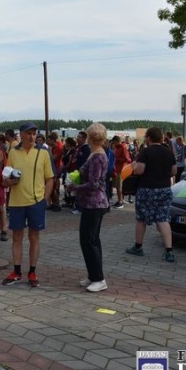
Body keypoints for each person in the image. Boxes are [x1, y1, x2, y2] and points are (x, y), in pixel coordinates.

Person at [2, 123, 54, 288]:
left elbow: (50, 179)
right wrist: (8, 182)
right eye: (28, 133)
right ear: (21, 135)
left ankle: (32, 271)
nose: (31, 136)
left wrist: (44, 199)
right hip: (17, 201)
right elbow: (6, 177)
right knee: (17, 237)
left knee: (34, 237)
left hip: (36, 201)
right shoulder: (13, 152)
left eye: (34, 133)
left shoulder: (43, 153)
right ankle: (17, 271)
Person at [68, 123, 110, 293]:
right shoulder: (97, 154)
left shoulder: (97, 156)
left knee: (89, 241)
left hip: (95, 203)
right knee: (91, 240)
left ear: (90, 137)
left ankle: (99, 278)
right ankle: (94, 275)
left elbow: (94, 184)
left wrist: (74, 188)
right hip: (93, 203)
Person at [126, 127, 177, 262]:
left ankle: (138, 247)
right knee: (163, 219)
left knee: (141, 219)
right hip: (165, 189)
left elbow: (140, 171)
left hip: (147, 189)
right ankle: (169, 251)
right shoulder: (168, 151)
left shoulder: (145, 151)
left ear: (148, 137)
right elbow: (174, 171)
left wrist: (134, 166)